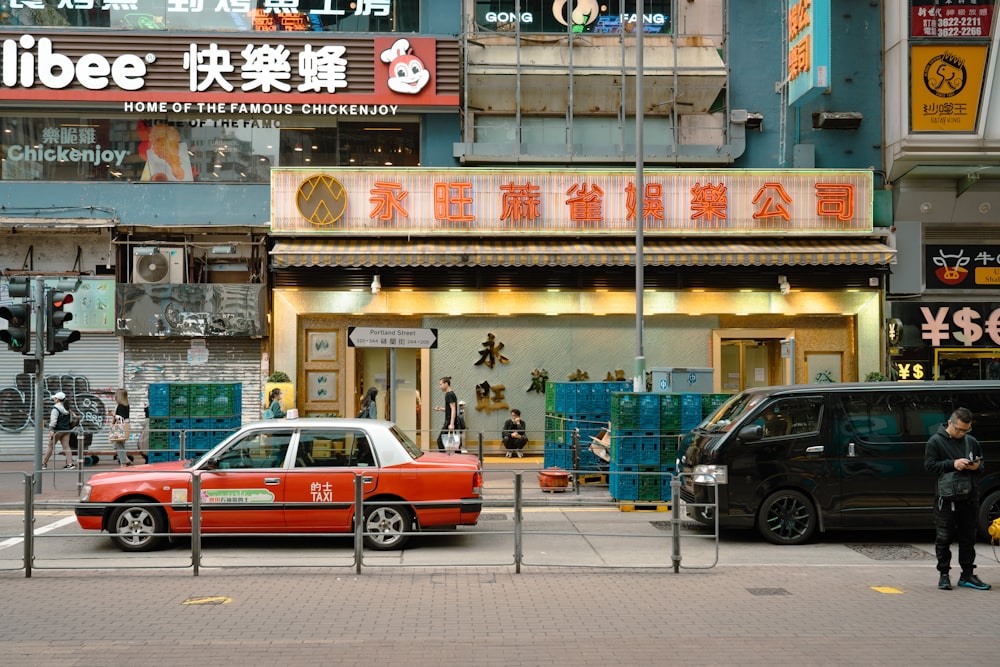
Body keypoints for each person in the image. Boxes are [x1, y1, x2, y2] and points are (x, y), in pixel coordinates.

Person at [924, 407, 990, 591]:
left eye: (966, 430)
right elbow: (929, 466)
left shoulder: (972, 441)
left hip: (969, 495)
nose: (962, 433)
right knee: (944, 537)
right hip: (946, 498)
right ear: (950, 423)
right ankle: (944, 574)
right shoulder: (935, 441)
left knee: (968, 537)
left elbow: (981, 465)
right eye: (959, 429)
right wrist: (952, 464)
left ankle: (967, 574)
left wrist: (974, 466)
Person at [43, 391, 76, 470]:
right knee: (66, 446)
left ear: (57, 399)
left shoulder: (56, 408)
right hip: (66, 430)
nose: (54, 399)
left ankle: (43, 463)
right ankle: (70, 464)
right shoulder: (67, 408)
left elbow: (53, 421)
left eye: (55, 398)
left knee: (50, 446)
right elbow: (73, 417)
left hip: (57, 431)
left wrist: (51, 430)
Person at [434, 376, 458, 451]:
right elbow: (450, 410)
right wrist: (440, 409)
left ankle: (444, 459)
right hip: (450, 421)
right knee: (453, 444)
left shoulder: (449, 394)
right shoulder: (450, 394)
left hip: (449, 422)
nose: (440, 387)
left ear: (446, 384)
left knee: (440, 441)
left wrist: (451, 424)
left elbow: (453, 409)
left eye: (441, 384)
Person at [111, 388, 132, 467]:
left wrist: (113, 415)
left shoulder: (120, 406)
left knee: (119, 445)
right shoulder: (127, 405)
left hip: (120, 426)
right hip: (126, 425)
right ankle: (126, 459)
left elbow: (120, 418)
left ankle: (123, 462)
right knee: (119, 444)